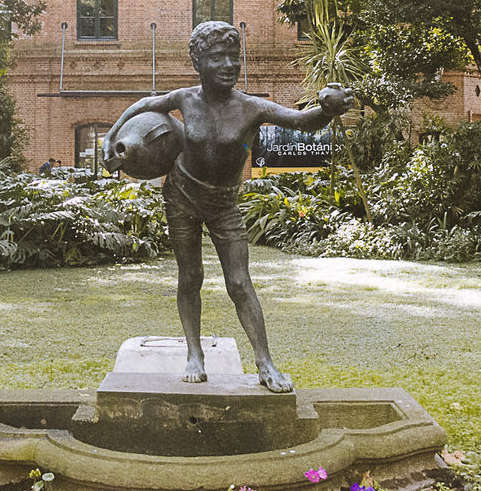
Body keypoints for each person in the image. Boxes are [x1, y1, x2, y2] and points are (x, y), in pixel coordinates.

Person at [104, 21, 353, 392]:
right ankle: (194, 354)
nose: (228, 65)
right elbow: (143, 105)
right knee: (190, 278)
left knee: (239, 282)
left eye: (233, 58)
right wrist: (111, 137)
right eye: (217, 58)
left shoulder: (251, 107)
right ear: (198, 62)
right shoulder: (186, 99)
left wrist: (328, 109)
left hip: (224, 204)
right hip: (182, 196)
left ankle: (265, 363)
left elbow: (303, 122)